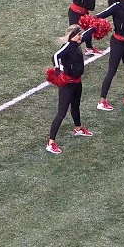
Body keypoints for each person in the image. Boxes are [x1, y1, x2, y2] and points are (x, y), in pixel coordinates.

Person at [46, 25, 93, 154]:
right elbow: (55, 56)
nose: (81, 36)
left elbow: (87, 34)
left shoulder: (76, 43)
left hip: (77, 82)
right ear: (72, 36)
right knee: (61, 113)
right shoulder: (67, 46)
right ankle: (51, 142)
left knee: (76, 106)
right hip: (67, 84)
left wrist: (95, 26)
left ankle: (78, 129)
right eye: (78, 34)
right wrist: (56, 68)